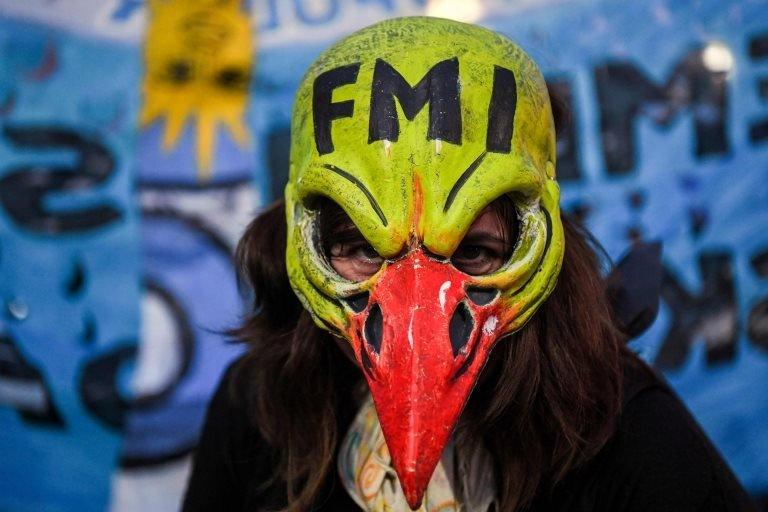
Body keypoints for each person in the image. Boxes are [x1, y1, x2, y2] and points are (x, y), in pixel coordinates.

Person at [182, 17, 756, 512]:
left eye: (474, 252)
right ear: (298, 236)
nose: (416, 330)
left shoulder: (630, 434)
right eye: (361, 249)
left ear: (541, 237)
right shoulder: (259, 407)